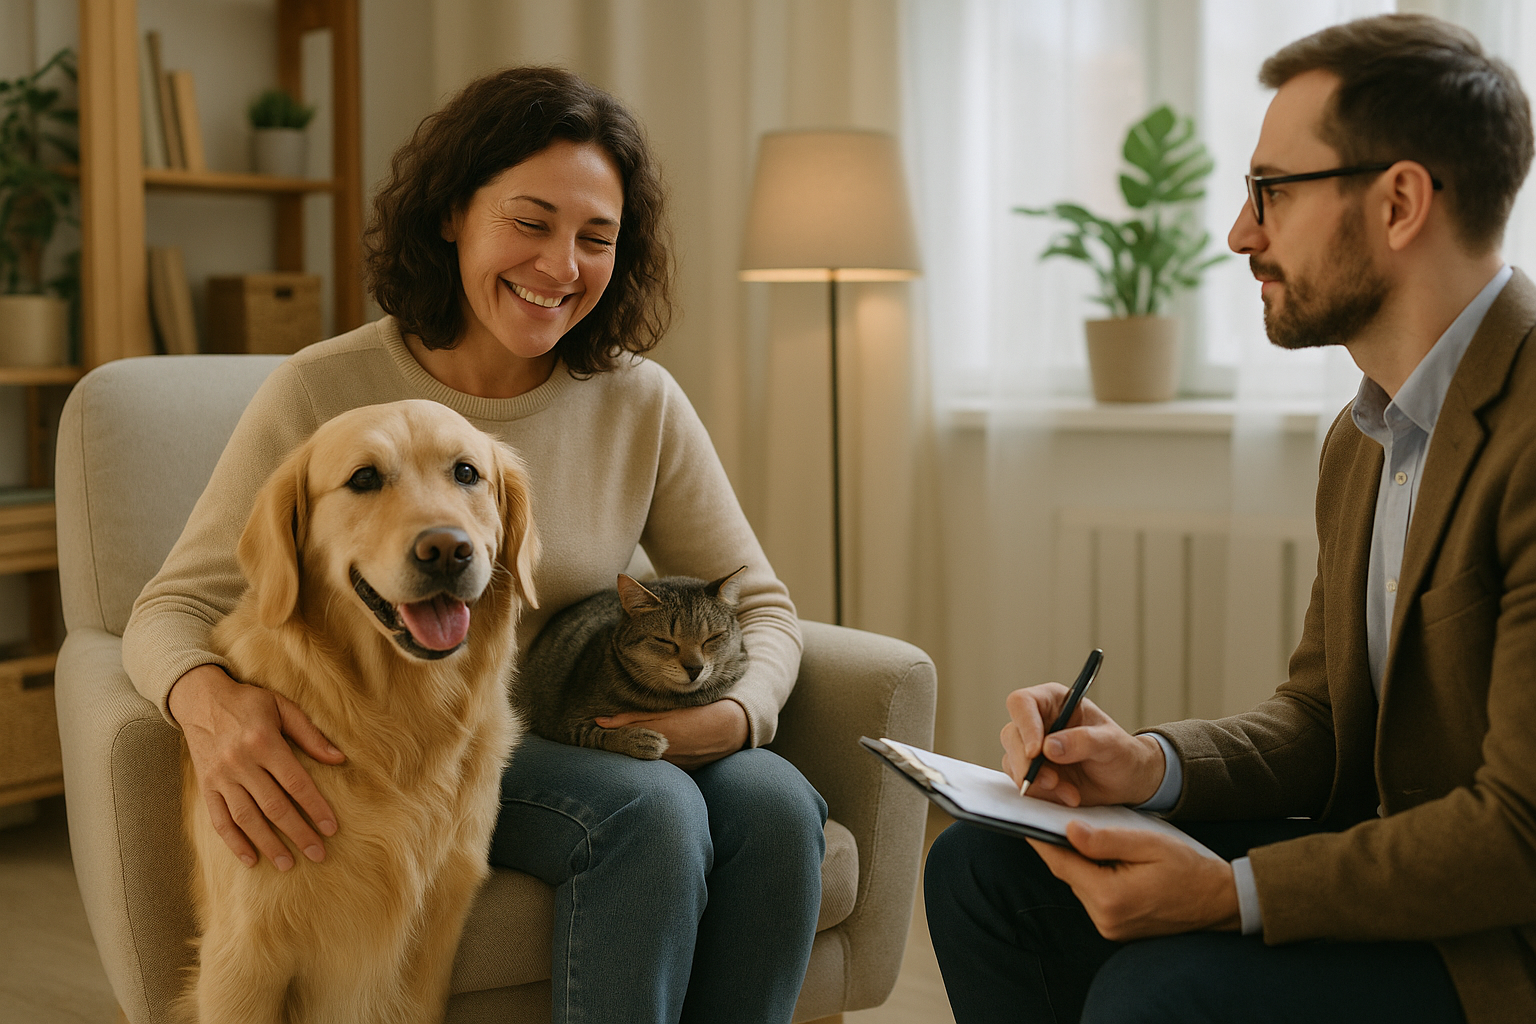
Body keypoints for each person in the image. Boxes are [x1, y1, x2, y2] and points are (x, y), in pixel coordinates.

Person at [121, 66, 825, 1024]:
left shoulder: (637, 399)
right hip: (435, 747)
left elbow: (761, 599)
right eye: (529, 223)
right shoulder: (323, 391)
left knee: (778, 806)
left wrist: (738, 717)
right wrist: (211, 708)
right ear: (453, 213)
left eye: (596, 237)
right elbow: (174, 605)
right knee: (649, 813)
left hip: (589, 720)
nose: (560, 265)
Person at [924, 14, 1536, 1024]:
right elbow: (1322, 721)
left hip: (1500, 934)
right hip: (1391, 866)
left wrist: (1229, 894)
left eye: (1271, 191)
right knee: (985, 871)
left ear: (1399, 202)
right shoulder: (1363, 436)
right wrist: (1147, 766)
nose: (1239, 232)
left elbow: (1519, 834)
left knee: (1159, 989)